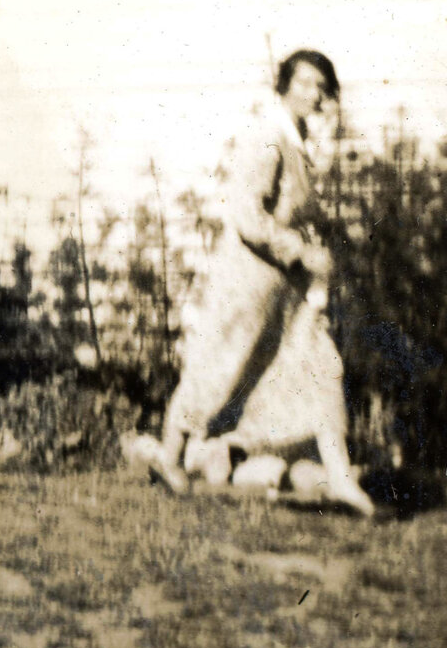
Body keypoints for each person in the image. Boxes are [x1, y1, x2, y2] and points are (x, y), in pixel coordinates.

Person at [148, 49, 376, 517]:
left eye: (321, 86)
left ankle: (340, 480)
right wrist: (302, 250)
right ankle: (169, 458)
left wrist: (319, 247)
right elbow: (247, 217)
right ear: (284, 85)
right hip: (248, 286)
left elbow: (298, 212)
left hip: (289, 296)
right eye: (305, 83)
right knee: (217, 372)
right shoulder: (267, 139)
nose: (313, 94)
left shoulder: (298, 146)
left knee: (323, 367)